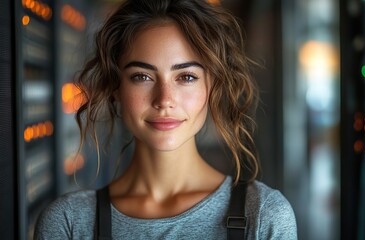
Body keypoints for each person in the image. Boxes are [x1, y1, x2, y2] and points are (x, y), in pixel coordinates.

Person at [35, 0, 297, 239]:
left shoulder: (264, 215)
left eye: (186, 77)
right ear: (116, 87)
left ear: (212, 86)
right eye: (142, 76)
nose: (164, 99)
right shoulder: (69, 222)